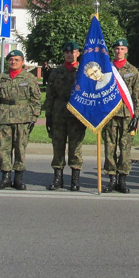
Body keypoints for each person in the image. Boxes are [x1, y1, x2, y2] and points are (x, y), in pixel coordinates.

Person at [0, 50, 41, 190]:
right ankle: (5, 178)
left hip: (22, 118)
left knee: (20, 148)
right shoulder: (1, 77)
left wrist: (34, 116)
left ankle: (18, 178)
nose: (13, 62)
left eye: (16, 59)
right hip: (4, 117)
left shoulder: (29, 78)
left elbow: (36, 99)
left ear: (22, 61)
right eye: (11, 59)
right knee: (4, 149)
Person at [41, 41, 85, 191]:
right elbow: (50, 95)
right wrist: (48, 114)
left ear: (78, 53)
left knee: (75, 147)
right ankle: (58, 178)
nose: (69, 54)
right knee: (58, 146)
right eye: (66, 52)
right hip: (59, 112)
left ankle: (75, 179)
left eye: (72, 51)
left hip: (76, 113)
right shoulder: (56, 72)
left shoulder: (84, 72)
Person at [101, 39, 139, 193]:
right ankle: (111, 179)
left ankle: (122, 180)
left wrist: (136, 116)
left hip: (126, 115)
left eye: (122, 48)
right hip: (109, 114)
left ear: (126, 51)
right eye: (117, 48)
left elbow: (137, 95)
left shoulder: (133, 70)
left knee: (125, 148)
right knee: (109, 147)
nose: (119, 51)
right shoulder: (105, 68)